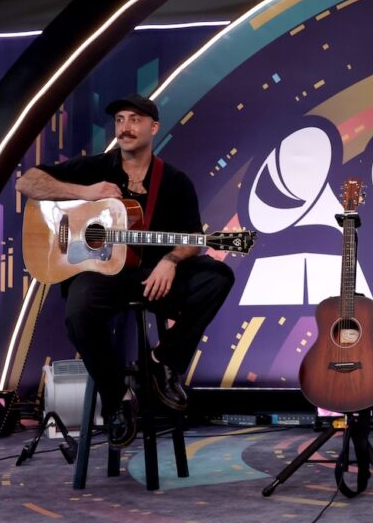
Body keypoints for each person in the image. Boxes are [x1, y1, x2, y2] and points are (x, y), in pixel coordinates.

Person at [18, 94, 234, 448]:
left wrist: (171, 260)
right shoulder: (96, 168)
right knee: (78, 315)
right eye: (119, 120)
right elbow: (27, 183)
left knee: (218, 277)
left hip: (153, 277)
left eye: (134, 119)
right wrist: (85, 192)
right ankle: (118, 399)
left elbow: (195, 238)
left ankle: (160, 364)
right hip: (103, 275)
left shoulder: (175, 181)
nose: (125, 127)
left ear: (153, 127)